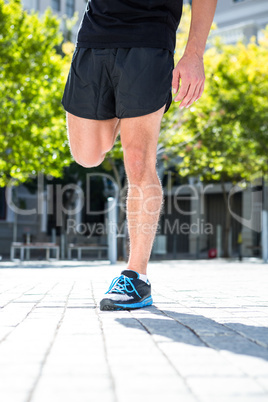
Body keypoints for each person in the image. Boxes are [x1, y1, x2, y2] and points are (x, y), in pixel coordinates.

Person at [62, 0, 218, 311]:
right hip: (95, 35)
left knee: (138, 160)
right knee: (87, 154)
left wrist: (193, 55)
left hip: (149, 39)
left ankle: (136, 277)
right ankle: (125, 112)